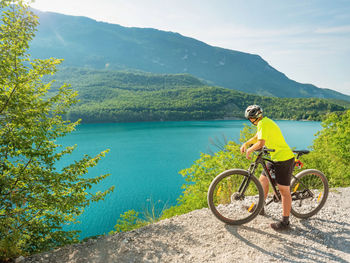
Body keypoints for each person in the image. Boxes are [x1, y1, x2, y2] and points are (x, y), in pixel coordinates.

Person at [240, 105, 295, 231]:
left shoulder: (263, 123)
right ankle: (261, 207)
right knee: (263, 180)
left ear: (253, 118)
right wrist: (246, 143)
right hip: (274, 157)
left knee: (283, 191)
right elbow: (257, 137)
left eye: (250, 119)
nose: (250, 121)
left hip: (284, 159)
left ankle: (285, 223)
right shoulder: (264, 123)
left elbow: (261, 143)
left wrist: (249, 150)